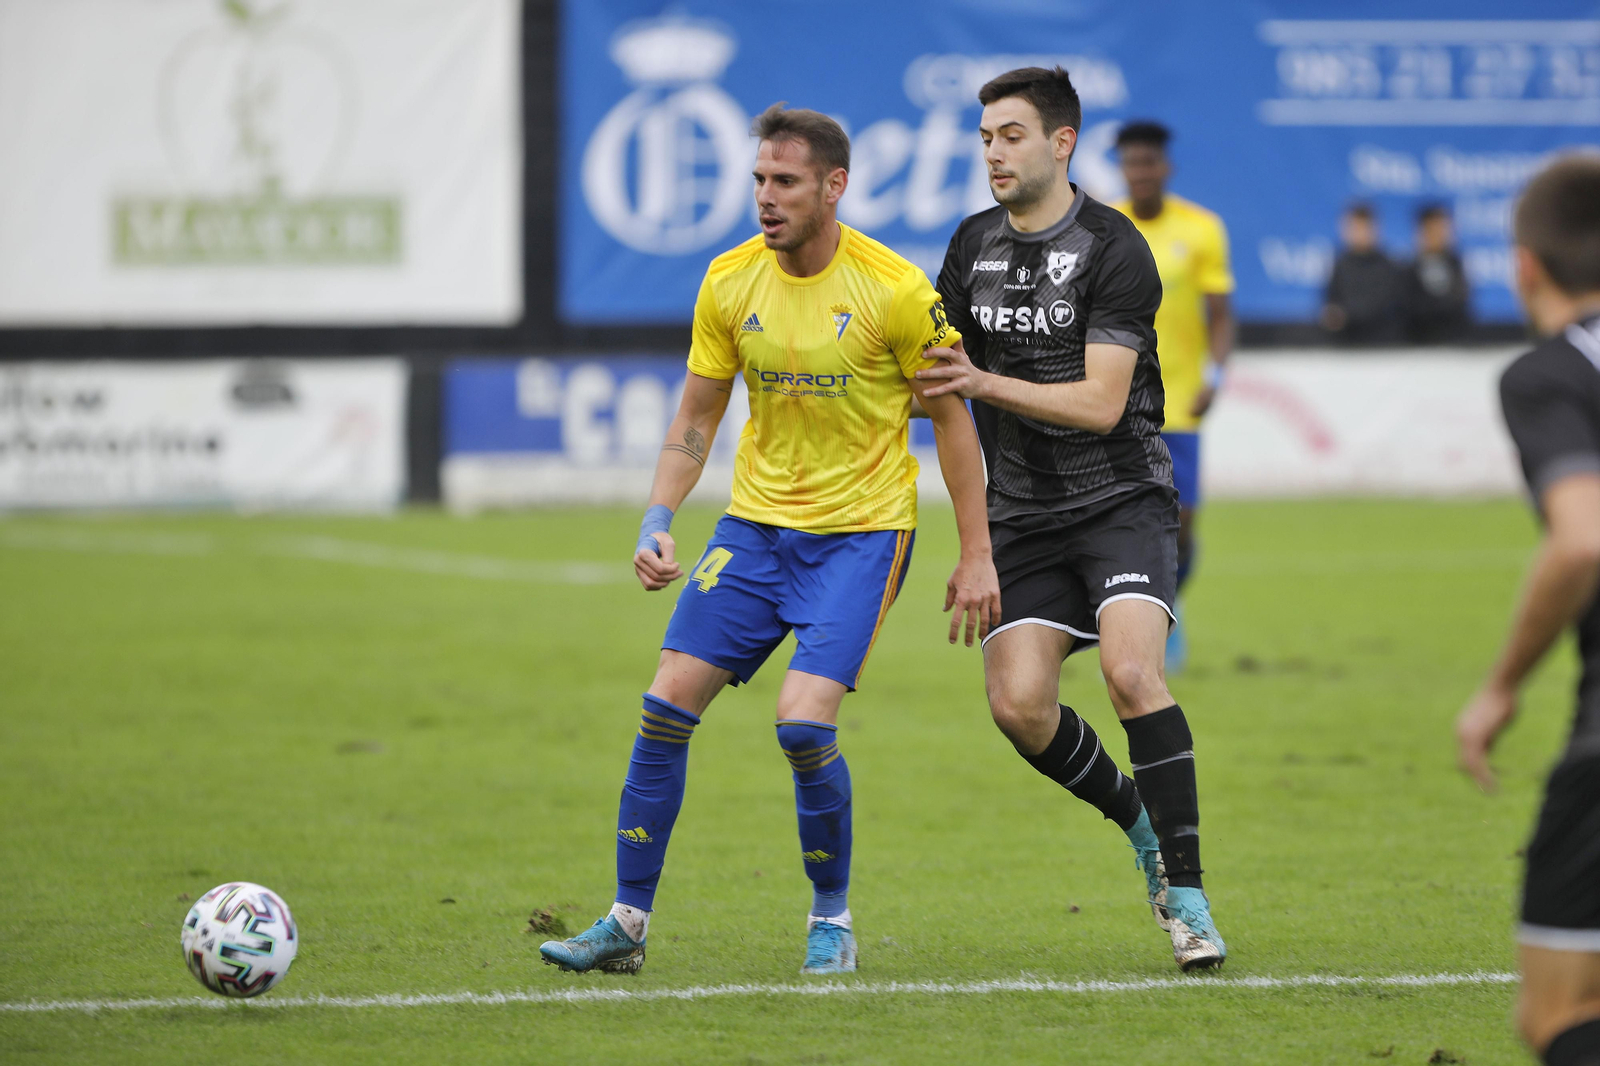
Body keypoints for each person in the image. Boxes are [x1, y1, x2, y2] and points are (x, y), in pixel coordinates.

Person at [538, 104, 1000, 978]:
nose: (765, 197)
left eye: (785, 181)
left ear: (834, 186)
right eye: (758, 179)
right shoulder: (728, 280)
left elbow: (953, 422)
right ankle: (626, 923)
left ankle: (832, 919)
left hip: (861, 536)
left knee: (801, 724)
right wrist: (658, 518)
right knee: (664, 705)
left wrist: (976, 553)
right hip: (753, 530)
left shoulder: (898, 291)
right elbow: (697, 415)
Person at [920, 66, 1225, 971]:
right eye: (985, 138)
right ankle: (1141, 829)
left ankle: (1189, 897)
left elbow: (1099, 403)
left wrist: (979, 382)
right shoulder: (970, 244)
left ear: (1062, 143)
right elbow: (937, 386)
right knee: (1018, 705)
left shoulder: (1114, 246)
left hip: (1120, 497)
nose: (993, 153)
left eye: (1011, 135)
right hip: (1021, 513)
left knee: (1133, 673)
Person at [1456, 154, 1600, 1066]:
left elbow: (1582, 539)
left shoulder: (1548, 375)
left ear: (1524, 266)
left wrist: (1501, 684)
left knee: (1555, 1013)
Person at [1112, 120, 1235, 673]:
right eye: (1131, 163)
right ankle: (1136, 620)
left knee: (1182, 525)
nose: (1140, 172)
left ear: (1166, 167)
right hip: (1115, 399)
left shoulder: (1202, 229)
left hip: (1180, 401)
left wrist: (1215, 375)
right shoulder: (1104, 227)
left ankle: (1170, 602)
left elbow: (1221, 316)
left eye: (1148, 163)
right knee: (1120, 519)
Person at [1322, 203, 1404, 346]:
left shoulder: (1388, 266)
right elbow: (1332, 302)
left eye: (1363, 227)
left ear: (1375, 229)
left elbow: (1385, 306)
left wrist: (1348, 315)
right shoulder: (1340, 265)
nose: (1359, 234)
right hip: (1346, 343)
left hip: (1382, 344)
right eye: (1355, 228)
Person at [1404, 203, 1472, 344]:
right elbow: (1410, 309)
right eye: (1433, 229)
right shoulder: (1408, 271)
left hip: (1456, 344)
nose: (1439, 235)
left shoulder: (1457, 266)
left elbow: (1461, 304)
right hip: (1418, 345)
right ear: (1421, 232)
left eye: (1442, 228)